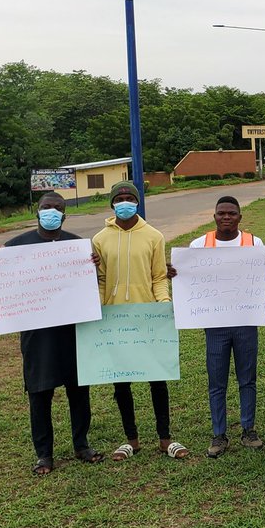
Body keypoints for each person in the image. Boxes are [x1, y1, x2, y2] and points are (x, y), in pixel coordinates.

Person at [0, 191, 103, 476]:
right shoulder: (15, 247)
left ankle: (82, 445)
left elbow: (90, 286)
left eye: (57, 208)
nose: (52, 212)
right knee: (39, 394)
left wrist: (93, 267)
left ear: (64, 214)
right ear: (37, 211)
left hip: (73, 332)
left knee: (79, 391)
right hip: (38, 337)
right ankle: (44, 455)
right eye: (47, 207)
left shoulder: (77, 246)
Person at [93, 181, 189, 460]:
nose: (124, 202)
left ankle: (165, 438)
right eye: (119, 198)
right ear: (112, 204)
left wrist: (164, 304)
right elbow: (101, 279)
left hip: (147, 316)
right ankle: (131, 441)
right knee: (121, 382)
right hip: (115, 318)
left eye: (129, 198)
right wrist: (98, 308)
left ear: (137, 202)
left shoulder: (153, 236)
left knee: (157, 378)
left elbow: (158, 276)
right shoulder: (100, 239)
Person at [183, 195, 264, 458]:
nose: (226, 217)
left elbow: (262, 276)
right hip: (215, 325)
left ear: (240, 217)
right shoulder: (199, 245)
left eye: (231, 213)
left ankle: (248, 429)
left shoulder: (253, 243)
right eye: (221, 213)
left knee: (247, 379)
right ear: (214, 216)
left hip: (245, 322)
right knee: (217, 382)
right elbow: (188, 278)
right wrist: (176, 273)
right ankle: (219, 435)